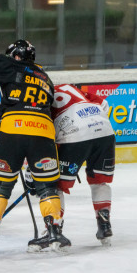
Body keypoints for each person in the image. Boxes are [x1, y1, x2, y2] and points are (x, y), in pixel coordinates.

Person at [0, 39, 70, 251]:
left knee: (2, 186)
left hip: (13, 131)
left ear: (15, 56)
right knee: (46, 187)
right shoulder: (46, 78)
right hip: (43, 132)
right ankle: (53, 230)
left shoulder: (11, 66)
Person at [49, 83, 115, 246]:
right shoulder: (72, 88)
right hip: (104, 130)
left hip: (74, 135)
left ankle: (55, 229)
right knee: (100, 181)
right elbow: (104, 105)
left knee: (56, 186)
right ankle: (104, 224)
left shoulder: (42, 95)